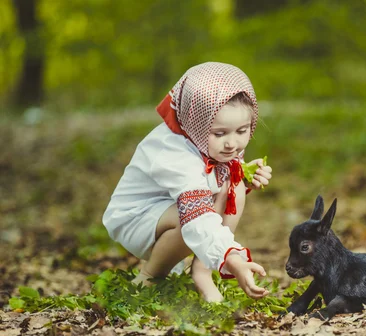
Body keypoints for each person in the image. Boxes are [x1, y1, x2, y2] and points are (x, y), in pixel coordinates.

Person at [102, 62, 272, 302]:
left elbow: (219, 189)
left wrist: (245, 178)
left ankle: (202, 271)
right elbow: (197, 212)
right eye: (220, 133)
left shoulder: (215, 144)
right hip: (135, 217)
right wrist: (231, 257)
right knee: (189, 218)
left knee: (234, 184)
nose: (232, 143)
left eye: (242, 131)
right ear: (196, 122)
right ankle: (150, 277)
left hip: (170, 208)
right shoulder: (175, 152)